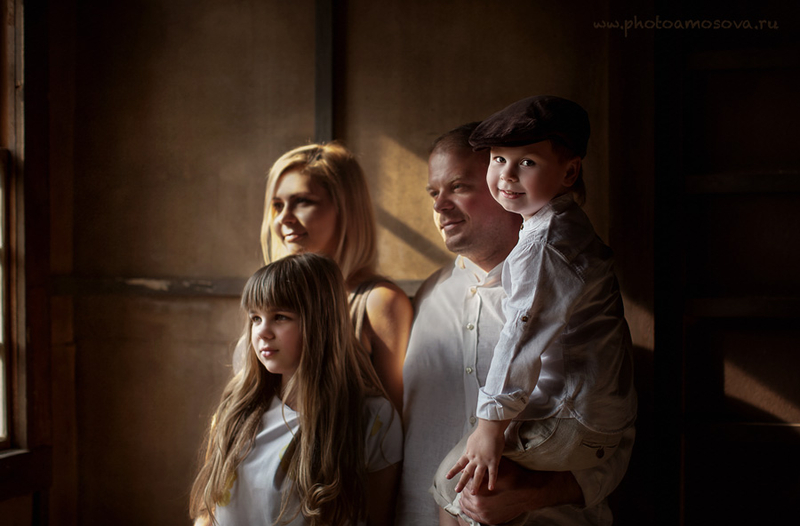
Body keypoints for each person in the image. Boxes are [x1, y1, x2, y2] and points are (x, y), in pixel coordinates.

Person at [397, 122, 636, 526]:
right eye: (434, 193)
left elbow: (613, 442)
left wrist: (530, 495)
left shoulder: (571, 296)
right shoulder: (425, 298)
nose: (440, 206)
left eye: (458, 187)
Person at [191, 253, 402, 526]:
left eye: (280, 317)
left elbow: (379, 518)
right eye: (255, 318)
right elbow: (208, 513)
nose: (262, 332)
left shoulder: (373, 419)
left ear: (321, 322)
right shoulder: (235, 408)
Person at [234, 142, 413, 410]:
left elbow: (393, 418)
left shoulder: (378, 302)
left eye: (302, 202)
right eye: (278, 205)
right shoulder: (269, 295)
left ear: (346, 208)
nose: (283, 218)